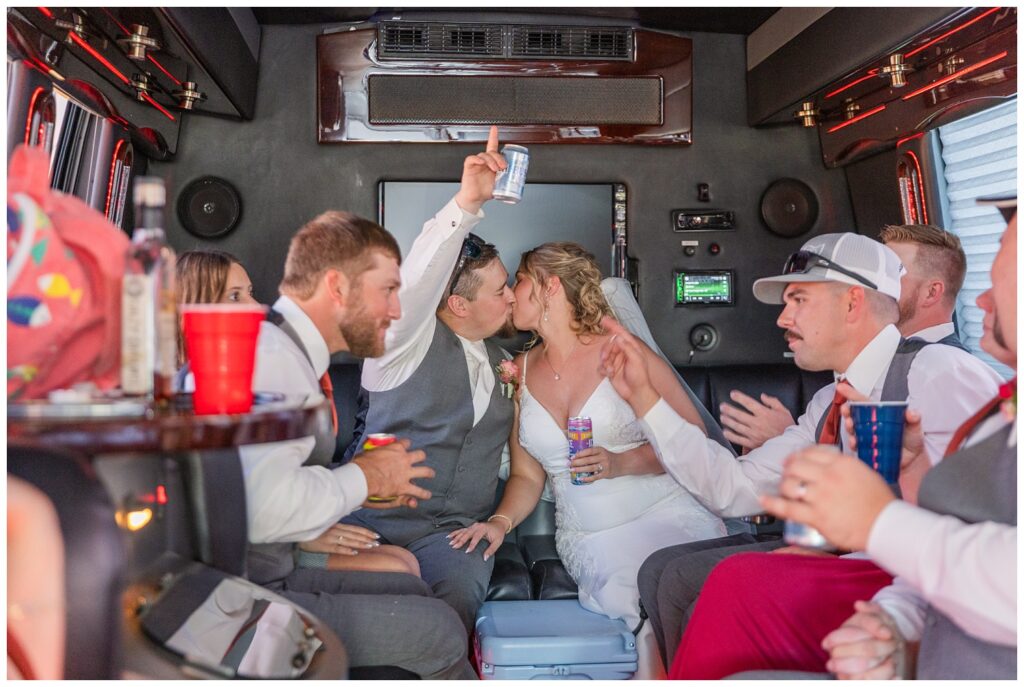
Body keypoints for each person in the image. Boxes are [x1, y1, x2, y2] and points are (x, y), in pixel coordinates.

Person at [602, 232, 1002, 671]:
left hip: (918, 579)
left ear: (852, 303)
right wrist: (644, 399)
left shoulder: (936, 371)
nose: (782, 319)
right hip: (869, 567)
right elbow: (730, 489)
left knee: (737, 582)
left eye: (799, 301)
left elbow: (987, 517)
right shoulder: (829, 402)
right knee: (683, 574)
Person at [756, 200, 1017, 680]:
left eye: (1000, 284)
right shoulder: (1006, 410)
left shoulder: (942, 370)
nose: (979, 300)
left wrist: (879, 521)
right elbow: (959, 534)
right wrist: (892, 621)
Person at [450, 242, 726, 674]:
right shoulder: (518, 370)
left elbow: (694, 438)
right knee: (637, 602)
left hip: (665, 514)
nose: (510, 294)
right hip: (591, 537)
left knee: (683, 608)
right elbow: (526, 475)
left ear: (549, 286)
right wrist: (500, 522)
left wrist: (621, 463)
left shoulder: (619, 349)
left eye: (518, 282)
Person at [238, 200, 480, 678]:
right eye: (388, 291)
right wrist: (363, 478)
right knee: (441, 632)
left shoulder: (288, 354)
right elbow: (265, 511)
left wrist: (369, 484)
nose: (396, 310)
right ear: (337, 287)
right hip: (247, 596)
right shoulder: (273, 361)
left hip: (272, 571)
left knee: (414, 594)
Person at [335, 126, 513, 633]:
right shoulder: (400, 344)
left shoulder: (506, 356)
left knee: (452, 607)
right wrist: (466, 204)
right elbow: (416, 284)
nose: (512, 298)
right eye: (502, 290)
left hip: (453, 538)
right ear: (458, 303)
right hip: (370, 526)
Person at [175, 249, 419, 576]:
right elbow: (232, 497)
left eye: (250, 293)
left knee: (404, 563)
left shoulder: (264, 362)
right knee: (399, 572)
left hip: (283, 529)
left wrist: (368, 485)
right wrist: (302, 537)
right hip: (250, 555)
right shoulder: (190, 390)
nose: (254, 307)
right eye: (234, 296)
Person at [720, 223, 968, 452]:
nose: (882, 282)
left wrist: (789, 443)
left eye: (897, 272)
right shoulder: (839, 388)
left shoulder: (945, 375)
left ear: (932, 292)